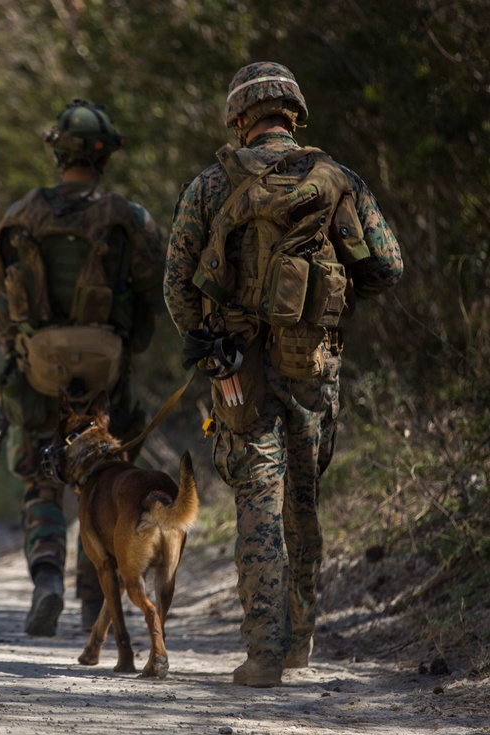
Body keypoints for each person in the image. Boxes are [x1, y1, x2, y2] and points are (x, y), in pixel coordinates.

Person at [164, 62, 404, 687]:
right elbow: (388, 267)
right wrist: (332, 293)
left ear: (239, 119)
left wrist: (206, 341)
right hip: (312, 362)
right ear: (293, 114)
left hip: (237, 365)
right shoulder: (337, 179)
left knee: (257, 500)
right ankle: (299, 644)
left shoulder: (211, 186)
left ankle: (264, 654)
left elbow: (177, 282)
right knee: (303, 497)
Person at [0, 100, 165, 636]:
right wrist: (126, 347)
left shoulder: (21, 216)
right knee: (104, 487)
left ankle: (46, 581)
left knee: (43, 483)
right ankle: (95, 604)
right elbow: (153, 295)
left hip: (39, 376)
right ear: (105, 157)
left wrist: (19, 350)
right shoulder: (128, 218)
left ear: (58, 153)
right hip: (110, 381)